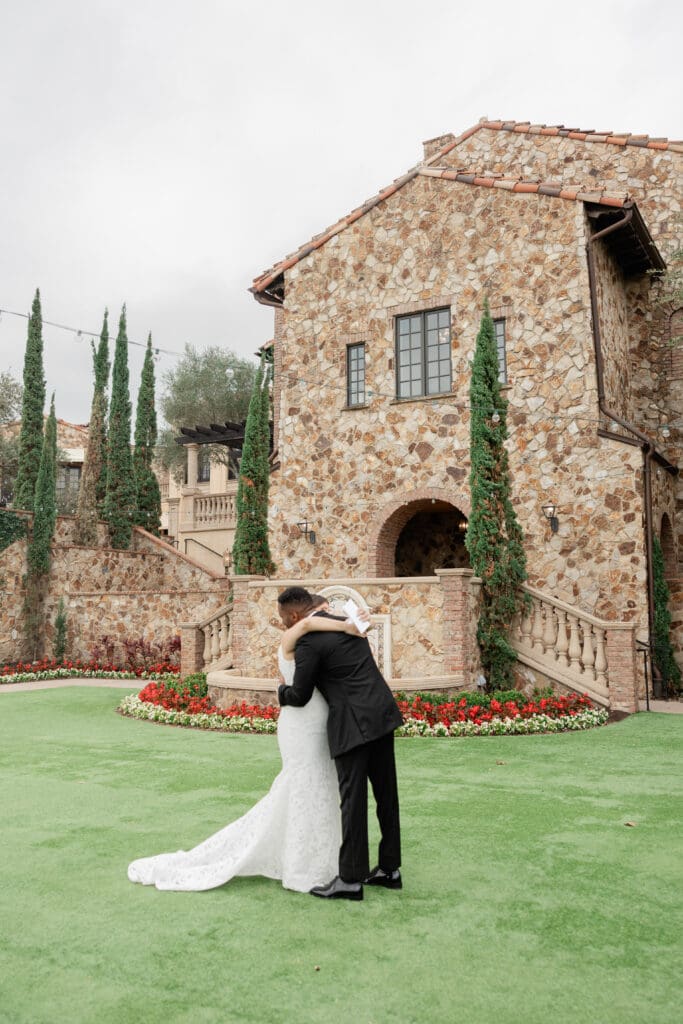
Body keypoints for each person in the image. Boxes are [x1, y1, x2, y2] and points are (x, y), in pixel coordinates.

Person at [126, 595, 362, 893]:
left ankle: (325, 860)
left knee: (319, 786)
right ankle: (302, 866)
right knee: (302, 783)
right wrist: (348, 625)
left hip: (318, 719)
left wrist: (353, 620)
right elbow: (313, 621)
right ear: (294, 616)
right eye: (308, 612)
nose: (314, 615)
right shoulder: (294, 635)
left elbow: (318, 623)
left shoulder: (311, 634)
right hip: (301, 724)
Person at [277, 586, 403, 901]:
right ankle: (390, 870)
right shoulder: (352, 624)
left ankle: (349, 880)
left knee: (353, 801)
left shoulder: (307, 642)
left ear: (295, 615)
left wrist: (280, 692)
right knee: (387, 795)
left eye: (283, 619)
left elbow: (301, 694)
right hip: (381, 713)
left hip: (352, 725)